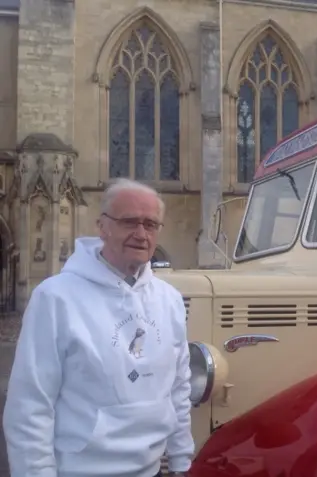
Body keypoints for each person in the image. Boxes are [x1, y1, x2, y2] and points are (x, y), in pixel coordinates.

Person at [3, 178, 194, 477]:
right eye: (129, 221)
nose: (141, 234)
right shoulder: (56, 298)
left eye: (151, 224)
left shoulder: (169, 300)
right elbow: (30, 405)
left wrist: (183, 462)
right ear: (102, 226)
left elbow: (179, 388)